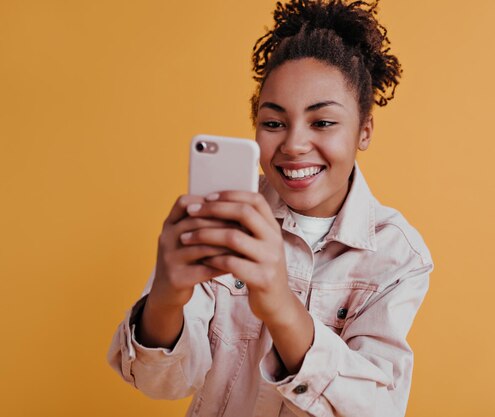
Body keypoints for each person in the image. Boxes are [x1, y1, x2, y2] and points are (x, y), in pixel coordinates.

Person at [107, 0, 434, 416]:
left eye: (323, 122)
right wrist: (166, 298)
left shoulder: (396, 256)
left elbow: (377, 409)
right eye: (274, 123)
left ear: (364, 130)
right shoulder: (226, 216)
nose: (294, 144)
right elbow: (160, 382)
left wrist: (280, 305)